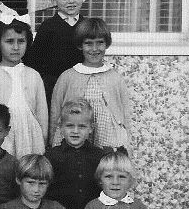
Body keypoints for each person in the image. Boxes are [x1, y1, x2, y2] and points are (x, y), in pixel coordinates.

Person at [50, 17, 131, 149]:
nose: (94, 49)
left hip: (108, 136)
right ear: (80, 45)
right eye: (88, 43)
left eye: (100, 42)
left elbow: (125, 113)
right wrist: (53, 141)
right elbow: (56, 112)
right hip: (76, 135)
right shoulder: (67, 76)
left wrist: (127, 142)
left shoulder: (115, 77)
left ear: (107, 44)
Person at [0, 18, 48, 157]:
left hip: (28, 133)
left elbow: (42, 113)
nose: (15, 47)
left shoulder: (34, 75)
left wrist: (43, 139)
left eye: (21, 41)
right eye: (9, 41)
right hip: (0, 134)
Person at [23, 0, 86, 100]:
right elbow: (35, 61)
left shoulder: (87, 26)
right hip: (53, 88)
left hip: (82, 87)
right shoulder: (47, 27)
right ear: (53, 0)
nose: (71, 1)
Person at [45, 99, 109, 209]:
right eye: (69, 125)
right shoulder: (50, 157)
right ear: (61, 127)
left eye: (82, 126)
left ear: (91, 128)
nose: (75, 131)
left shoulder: (100, 157)